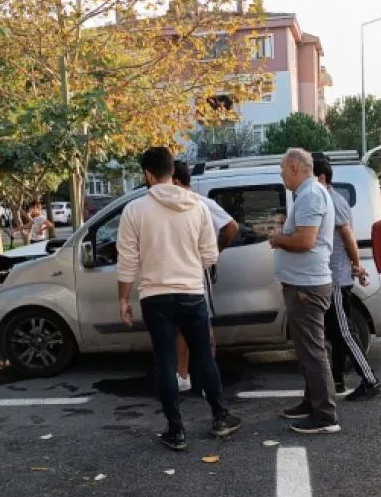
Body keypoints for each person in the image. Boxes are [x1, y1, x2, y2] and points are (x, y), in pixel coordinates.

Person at [117, 147, 242, 451]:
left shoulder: (134, 210)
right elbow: (210, 255)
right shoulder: (197, 207)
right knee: (202, 355)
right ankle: (220, 416)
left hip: (155, 297)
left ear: (148, 174)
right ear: (172, 171)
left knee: (166, 361)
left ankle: (176, 431)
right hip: (191, 293)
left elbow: (127, 261)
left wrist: (123, 299)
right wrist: (188, 266)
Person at [269, 148, 339, 434]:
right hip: (303, 283)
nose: (282, 174)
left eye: (283, 169)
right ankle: (312, 402)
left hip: (307, 286)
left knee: (312, 350)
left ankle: (325, 414)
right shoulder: (309, 193)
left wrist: (277, 238)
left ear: (295, 167)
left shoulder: (311, 194)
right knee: (310, 348)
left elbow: (306, 240)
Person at [314, 157, 381, 401]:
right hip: (332, 276)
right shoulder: (327, 199)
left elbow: (348, 237)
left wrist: (357, 266)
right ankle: (338, 380)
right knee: (334, 331)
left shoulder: (332, 201)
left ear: (321, 178)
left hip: (336, 278)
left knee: (343, 331)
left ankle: (370, 380)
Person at [170, 160, 239, 392]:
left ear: (176, 182)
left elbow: (231, 227)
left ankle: (205, 377)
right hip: (180, 273)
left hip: (197, 274)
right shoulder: (172, 206)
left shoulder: (201, 203)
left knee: (202, 326)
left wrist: (214, 253)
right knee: (183, 326)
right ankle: (184, 374)